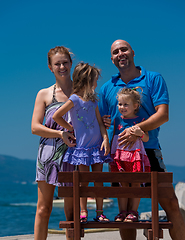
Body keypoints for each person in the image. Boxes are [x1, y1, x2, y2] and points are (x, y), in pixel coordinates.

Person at [98, 39, 185, 240]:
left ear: (132, 52)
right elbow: (101, 122)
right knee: (126, 211)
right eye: (116, 51)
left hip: (150, 150)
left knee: (171, 204)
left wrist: (138, 128)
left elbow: (163, 114)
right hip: (120, 157)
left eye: (124, 49)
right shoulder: (107, 88)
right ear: (112, 59)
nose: (121, 53)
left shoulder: (153, 79)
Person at [53, 62, 112, 223]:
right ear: (86, 81)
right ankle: (84, 212)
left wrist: (105, 138)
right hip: (82, 149)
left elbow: (100, 122)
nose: (96, 83)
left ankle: (100, 213)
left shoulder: (94, 100)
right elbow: (56, 116)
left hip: (97, 147)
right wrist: (69, 128)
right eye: (95, 80)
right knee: (84, 182)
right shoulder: (74, 99)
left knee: (99, 181)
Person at [31, 46, 76, 240]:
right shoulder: (44, 94)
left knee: (72, 213)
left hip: (74, 156)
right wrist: (60, 134)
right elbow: (35, 127)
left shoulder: (82, 92)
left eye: (65, 62)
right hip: (48, 156)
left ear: (71, 64)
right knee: (44, 208)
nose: (62, 66)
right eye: (57, 63)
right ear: (50, 67)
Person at [110, 87, 151, 223]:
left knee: (136, 183)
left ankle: (133, 211)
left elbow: (146, 139)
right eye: (120, 104)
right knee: (122, 184)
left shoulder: (140, 120)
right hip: (119, 157)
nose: (122, 107)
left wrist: (140, 133)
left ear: (135, 106)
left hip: (135, 156)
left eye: (125, 104)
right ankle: (122, 211)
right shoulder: (116, 119)